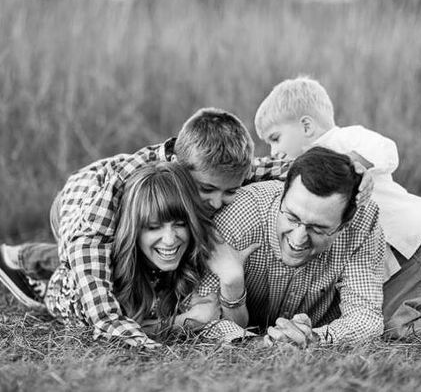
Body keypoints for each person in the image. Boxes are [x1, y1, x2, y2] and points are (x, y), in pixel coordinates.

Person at [0, 108, 280, 338]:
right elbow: (90, 244)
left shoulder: (217, 169)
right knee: (90, 263)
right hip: (77, 206)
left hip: (103, 222)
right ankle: (28, 260)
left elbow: (273, 167)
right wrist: (114, 325)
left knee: (154, 239)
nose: (218, 202)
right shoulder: (125, 184)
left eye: (229, 192)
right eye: (207, 190)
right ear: (177, 165)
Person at [253, 76, 421, 340]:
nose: (274, 150)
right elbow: (257, 169)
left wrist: (353, 162)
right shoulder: (298, 178)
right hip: (393, 268)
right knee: (393, 328)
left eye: (275, 138)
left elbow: (385, 149)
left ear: (306, 126)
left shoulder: (343, 140)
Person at [197, 146, 386, 345]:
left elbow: (366, 317)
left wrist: (311, 338)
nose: (298, 239)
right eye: (292, 217)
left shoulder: (363, 221)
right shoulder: (238, 214)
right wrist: (256, 344)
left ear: (343, 225)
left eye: (318, 229)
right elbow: (201, 311)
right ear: (283, 192)